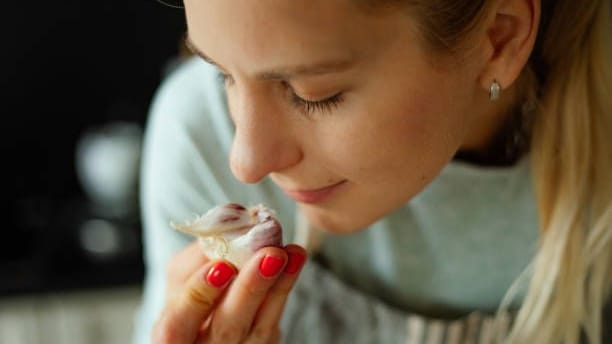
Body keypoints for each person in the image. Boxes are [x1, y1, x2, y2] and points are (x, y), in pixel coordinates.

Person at [132, 0, 611, 343]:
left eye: (313, 94)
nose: (248, 161)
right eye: (223, 75)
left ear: (498, 38)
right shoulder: (202, 135)